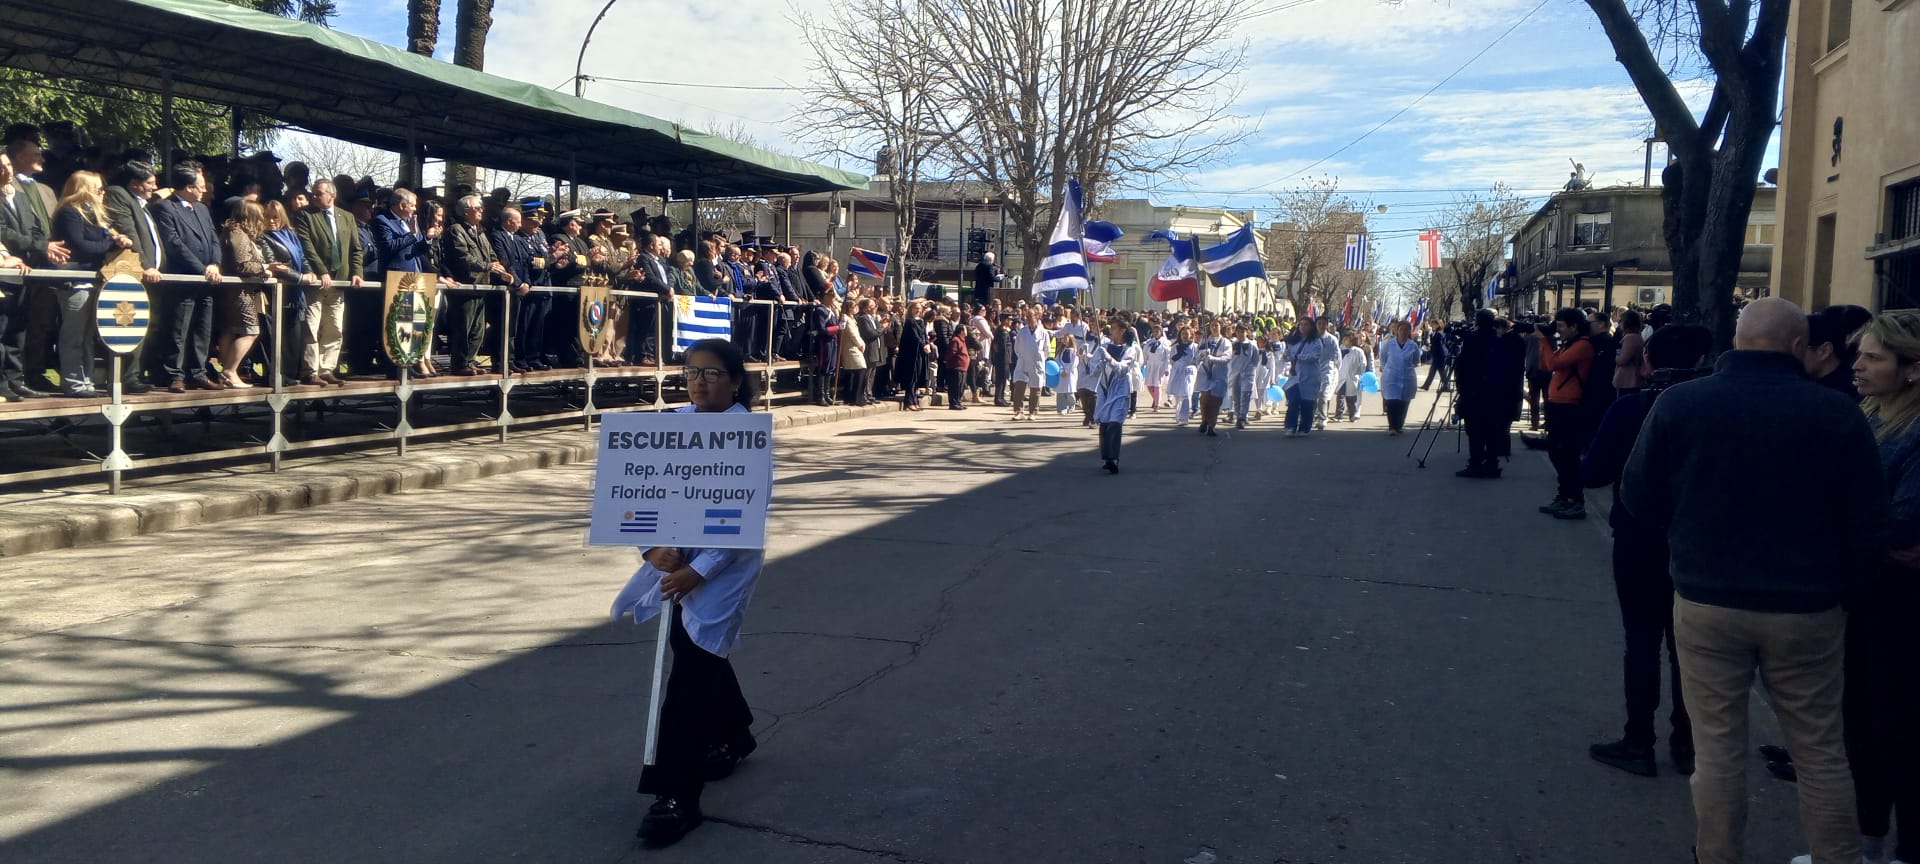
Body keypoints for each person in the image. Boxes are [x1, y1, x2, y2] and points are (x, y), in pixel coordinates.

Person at [1621, 297, 1887, 864]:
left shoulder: (1680, 404)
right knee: (1819, 750)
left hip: (1707, 597)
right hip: (1809, 607)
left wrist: (1691, 530)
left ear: (1738, 342)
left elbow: (1639, 497)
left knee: (1717, 749)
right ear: (1798, 347)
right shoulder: (1839, 414)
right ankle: (1839, 857)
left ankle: (1717, 855)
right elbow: (1868, 520)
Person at [609, 337, 764, 848]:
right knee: (695, 651)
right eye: (692, 372)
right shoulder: (670, 424)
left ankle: (675, 794)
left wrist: (700, 571)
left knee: (691, 669)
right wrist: (651, 547)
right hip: (673, 560)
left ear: (736, 380)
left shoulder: (748, 436)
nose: (699, 381)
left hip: (724, 568)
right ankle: (734, 733)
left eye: (713, 373)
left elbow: (745, 518)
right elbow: (634, 492)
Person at [1801, 311, 1920, 864]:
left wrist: (1847, 524)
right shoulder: (1869, 416)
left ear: (1913, 370)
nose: (1859, 367)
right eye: (1861, 354)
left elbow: (1899, 524)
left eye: (1873, 357)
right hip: (1863, 592)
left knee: (1901, 732)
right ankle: (1865, 846)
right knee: (1860, 728)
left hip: (1902, 608)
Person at [1581, 323, 1713, 779]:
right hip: (1700, 544)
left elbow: (1592, 473)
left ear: (1648, 362)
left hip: (1639, 537)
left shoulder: (1630, 410)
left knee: (1641, 639)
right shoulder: (1719, 413)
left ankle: (1639, 739)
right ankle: (1688, 741)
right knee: (1689, 647)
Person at [50, 171, 133, 396]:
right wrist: (109, 243)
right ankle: (73, 382)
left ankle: (86, 380)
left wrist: (117, 241)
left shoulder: (96, 216)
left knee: (87, 336)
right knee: (73, 335)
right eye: (97, 187)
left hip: (93, 281)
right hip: (75, 281)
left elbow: (103, 242)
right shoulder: (69, 213)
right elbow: (82, 247)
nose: (102, 192)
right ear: (84, 188)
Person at [150, 161, 225, 392]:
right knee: (179, 329)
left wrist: (214, 263)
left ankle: (198, 372)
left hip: (207, 281)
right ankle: (175, 374)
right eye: (200, 186)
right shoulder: (166, 208)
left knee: (202, 328)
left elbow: (213, 238)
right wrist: (200, 269)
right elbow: (174, 244)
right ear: (188, 187)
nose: (204, 190)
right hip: (184, 279)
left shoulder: (202, 209)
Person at [292, 179, 363, 385]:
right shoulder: (305, 215)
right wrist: (321, 271)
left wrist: (356, 272)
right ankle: (310, 370)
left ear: (331, 195)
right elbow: (307, 246)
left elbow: (356, 248)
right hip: (316, 283)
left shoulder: (347, 217)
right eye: (313, 193)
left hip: (339, 283)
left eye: (318, 193)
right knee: (312, 327)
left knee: (334, 327)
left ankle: (327, 368)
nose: (314, 196)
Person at [103, 160, 163, 394]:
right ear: (134, 183)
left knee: (144, 327)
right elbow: (128, 232)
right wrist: (145, 265)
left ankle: (136, 374)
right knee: (128, 325)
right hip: (133, 274)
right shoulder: (118, 195)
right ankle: (126, 377)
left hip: (151, 277)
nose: (154, 186)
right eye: (149, 182)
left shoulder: (143, 203)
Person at [1536, 308, 1598, 518]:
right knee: (1557, 453)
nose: (1558, 330)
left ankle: (1576, 500)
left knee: (1568, 454)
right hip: (1558, 404)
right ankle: (1564, 496)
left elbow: (1555, 364)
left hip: (1570, 406)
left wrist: (1544, 339)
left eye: (1561, 326)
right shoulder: (1569, 345)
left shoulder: (1583, 345)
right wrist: (1545, 342)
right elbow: (1546, 364)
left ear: (1574, 327)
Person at [1453, 309, 1526, 478]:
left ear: (1477, 322)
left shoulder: (1473, 339)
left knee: (1475, 430)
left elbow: (1463, 365)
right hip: (1497, 392)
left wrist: (1461, 388)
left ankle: (1476, 464)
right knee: (1492, 429)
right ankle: (1492, 463)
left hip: (1475, 391)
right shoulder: (1500, 339)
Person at [442, 194, 508, 376]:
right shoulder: (456, 230)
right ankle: (460, 363)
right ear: (466, 211)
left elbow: (491, 254)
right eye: (477, 208)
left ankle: (470, 361)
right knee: (463, 326)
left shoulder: (480, 230)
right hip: (465, 286)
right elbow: (462, 256)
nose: (481, 210)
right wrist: (487, 266)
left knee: (478, 329)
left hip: (482, 286)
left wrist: (498, 266)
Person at [214, 199, 274, 390]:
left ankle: (228, 372)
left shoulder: (235, 232)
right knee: (250, 331)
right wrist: (265, 267)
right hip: (239, 292)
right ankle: (230, 371)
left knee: (231, 330)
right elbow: (242, 264)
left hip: (237, 291)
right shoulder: (237, 233)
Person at [1090, 318, 1140, 474]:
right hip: (1105, 388)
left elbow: (1122, 370)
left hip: (1120, 390)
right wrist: (1094, 360)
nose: (1110, 330)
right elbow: (1094, 371)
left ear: (1122, 331)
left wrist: (1109, 358)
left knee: (1115, 423)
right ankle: (1107, 457)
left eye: (1113, 328)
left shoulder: (1130, 350)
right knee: (1105, 423)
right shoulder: (1105, 346)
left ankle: (1114, 458)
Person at [1282, 317, 1336, 439]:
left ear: (1311, 327)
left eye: (1306, 324)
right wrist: (1286, 355)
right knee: (1294, 399)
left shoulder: (1316, 342)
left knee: (1307, 402)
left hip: (1310, 376)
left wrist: (1298, 357)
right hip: (1295, 376)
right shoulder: (1294, 341)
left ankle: (1305, 427)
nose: (1303, 327)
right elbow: (1288, 355)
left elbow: (1314, 356)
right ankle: (1290, 426)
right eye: (1301, 324)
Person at [1008, 306, 1048, 420]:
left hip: (1036, 364)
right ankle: (1019, 411)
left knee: (1035, 389)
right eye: (1027, 317)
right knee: (1019, 387)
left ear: (1037, 317)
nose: (1028, 319)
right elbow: (1017, 348)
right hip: (1023, 362)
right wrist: (1023, 357)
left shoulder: (1043, 333)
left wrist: (1038, 359)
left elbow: (1046, 350)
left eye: (1030, 316)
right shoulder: (1022, 331)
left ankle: (1033, 412)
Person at [895, 299, 930, 411]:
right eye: (915, 308)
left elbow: (924, 335)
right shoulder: (909, 321)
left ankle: (915, 400)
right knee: (911, 377)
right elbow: (914, 336)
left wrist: (927, 343)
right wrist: (922, 344)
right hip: (911, 353)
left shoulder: (921, 321)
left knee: (917, 377)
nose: (917, 310)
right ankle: (909, 401)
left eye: (919, 309)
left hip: (919, 352)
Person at [1613, 309, 1648, 396]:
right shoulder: (1637, 337)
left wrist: (1615, 355)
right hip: (1633, 379)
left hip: (1628, 380)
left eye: (1621, 321)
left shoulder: (1630, 338)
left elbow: (1622, 360)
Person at [1334, 333, 1368, 422]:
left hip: (1352, 378)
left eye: (1347, 339)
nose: (1345, 341)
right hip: (1341, 377)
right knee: (1340, 396)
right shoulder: (1340, 349)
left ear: (1352, 341)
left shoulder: (1358, 351)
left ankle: (1352, 415)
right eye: (1344, 339)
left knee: (1351, 399)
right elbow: (1336, 362)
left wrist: (1359, 373)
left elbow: (1363, 363)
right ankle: (1338, 415)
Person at [1169, 324, 1199, 425]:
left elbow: (1197, 360)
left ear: (1191, 335)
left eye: (1187, 334)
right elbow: (1171, 359)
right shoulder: (1175, 347)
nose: (1185, 336)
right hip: (1178, 370)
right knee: (1178, 394)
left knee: (1186, 393)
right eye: (1183, 334)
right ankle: (1178, 414)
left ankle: (1184, 417)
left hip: (1189, 370)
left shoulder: (1195, 347)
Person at [1421, 320, 1452, 391]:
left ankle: (1446, 386)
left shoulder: (1439, 333)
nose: (1432, 326)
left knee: (1440, 371)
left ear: (1437, 325)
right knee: (1435, 371)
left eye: (1433, 325)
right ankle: (1426, 385)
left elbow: (1439, 345)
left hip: (1440, 355)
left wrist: (1431, 348)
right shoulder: (1438, 332)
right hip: (1439, 354)